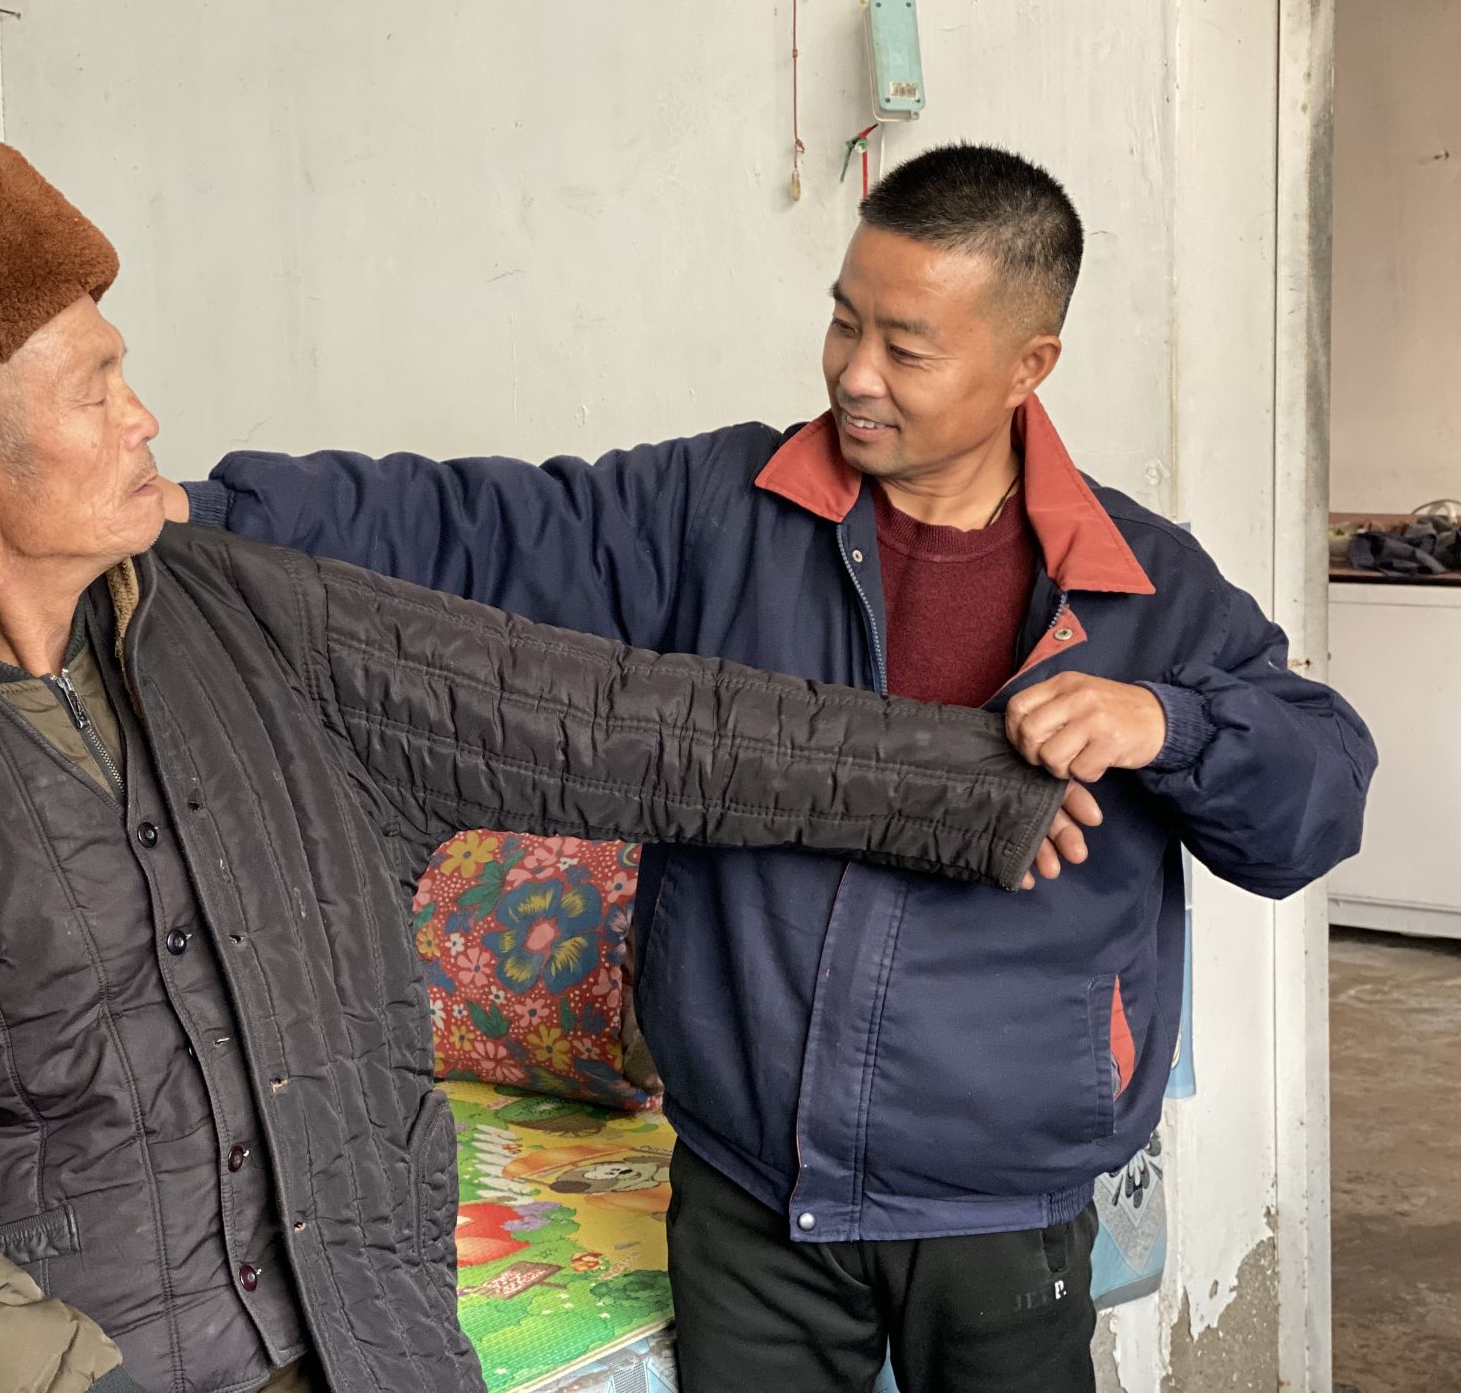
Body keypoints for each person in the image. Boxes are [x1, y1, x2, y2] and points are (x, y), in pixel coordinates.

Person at [0, 144, 1093, 1393]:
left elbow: (628, 723)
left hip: (376, 1345)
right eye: (97, 392)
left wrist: (983, 783)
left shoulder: (263, 620)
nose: (146, 419)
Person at [172, 143, 1378, 1393]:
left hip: (1001, 1204)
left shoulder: (1139, 582)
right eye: (845, 322)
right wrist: (212, 513)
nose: (856, 373)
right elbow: (476, 526)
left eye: (907, 348)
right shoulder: (723, 512)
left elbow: (1316, 802)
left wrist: (1172, 725)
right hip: (749, 1187)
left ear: (1030, 366)